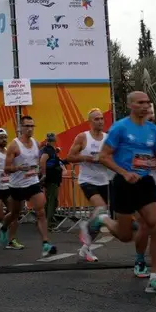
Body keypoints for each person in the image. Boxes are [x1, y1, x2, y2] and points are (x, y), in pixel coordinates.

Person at [85, 91, 156, 294]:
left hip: (145, 182)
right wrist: (124, 172)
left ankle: (154, 278)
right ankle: (103, 219)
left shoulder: (152, 130)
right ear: (131, 105)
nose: (145, 105)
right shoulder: (120, 127)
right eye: (140, 102)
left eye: (147, 102)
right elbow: (104, 156)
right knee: (125, 236)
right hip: (124, 183)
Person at [3, 115, 55, 258]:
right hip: (17, 185)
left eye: (32, 126)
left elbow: (36, 162)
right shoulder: (14, 145)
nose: (30, 129)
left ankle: (46, 243)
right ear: (20, 127)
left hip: (32, 182)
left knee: (41, 212)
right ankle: (3, 227)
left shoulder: (36, 143)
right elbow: (6, 168)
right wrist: (19, 168)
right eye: (27, 126)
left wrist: (38, 172)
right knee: (15, 214)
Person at [68, 109, 110, 262]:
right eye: (96, 119)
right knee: (101, 208)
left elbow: (112, 157)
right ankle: (85, 227)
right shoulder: (83, 137)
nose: (100, 121)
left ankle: (86, 248)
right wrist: (88, 158)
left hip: (103, 180)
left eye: (101, 118)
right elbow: (70, 157)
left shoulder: (107, 138)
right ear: (90, 122)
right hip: (87, 180)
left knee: (101, 217)